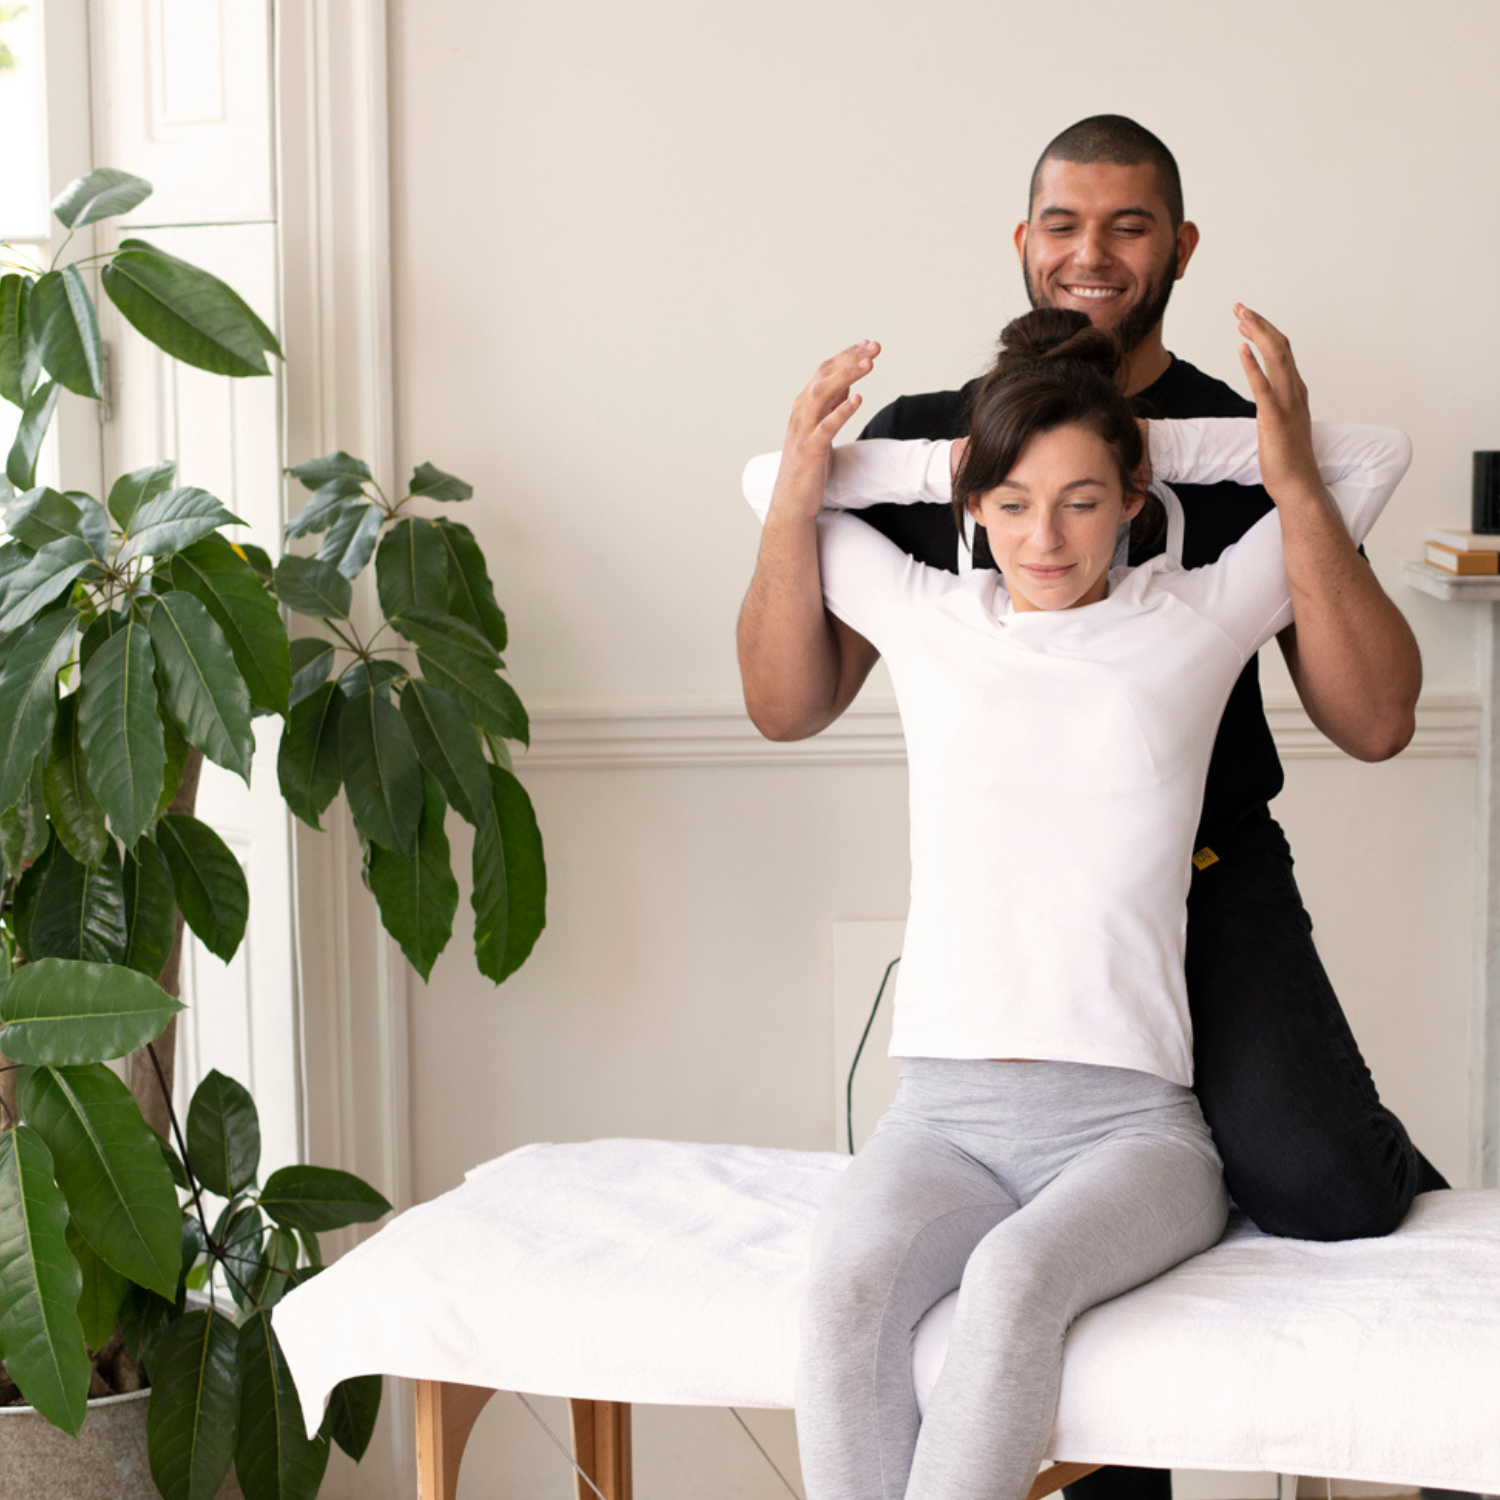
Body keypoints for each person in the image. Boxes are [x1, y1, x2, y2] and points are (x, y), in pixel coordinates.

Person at [739, 305, 1411, 1500]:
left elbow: (1367, 460)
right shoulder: (930, 621)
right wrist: (993, 448)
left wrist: (1128, 438)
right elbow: (769, 481)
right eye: (1010, 506)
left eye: (1083, 500)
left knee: (1009, 1286)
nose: (1043, 538)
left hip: (1131, 1136)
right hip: (939, 1119)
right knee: (842, 1300)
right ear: (972, 507)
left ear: (1133, 497)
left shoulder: (1194, 622)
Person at [738, 116, 1442, 1246]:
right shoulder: (944, 446)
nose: (1092, 255)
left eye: (1130, 226)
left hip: (1213, 869)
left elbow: (1375, 721)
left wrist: (1288, 479)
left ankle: (1284, 1144)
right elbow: (787, 705)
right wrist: (803, 496)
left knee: (1322, 1189)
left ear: (1182, 245)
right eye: (1063, 224)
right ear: (1023, 238)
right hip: (1034, 898)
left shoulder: (1240, 438)